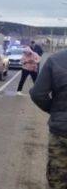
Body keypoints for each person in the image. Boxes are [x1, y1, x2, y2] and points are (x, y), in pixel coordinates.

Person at [30, 50, 67, 189]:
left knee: (58, 180)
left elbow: (38, 94)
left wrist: (56, 111)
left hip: (62, 132)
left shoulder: (56, 60)